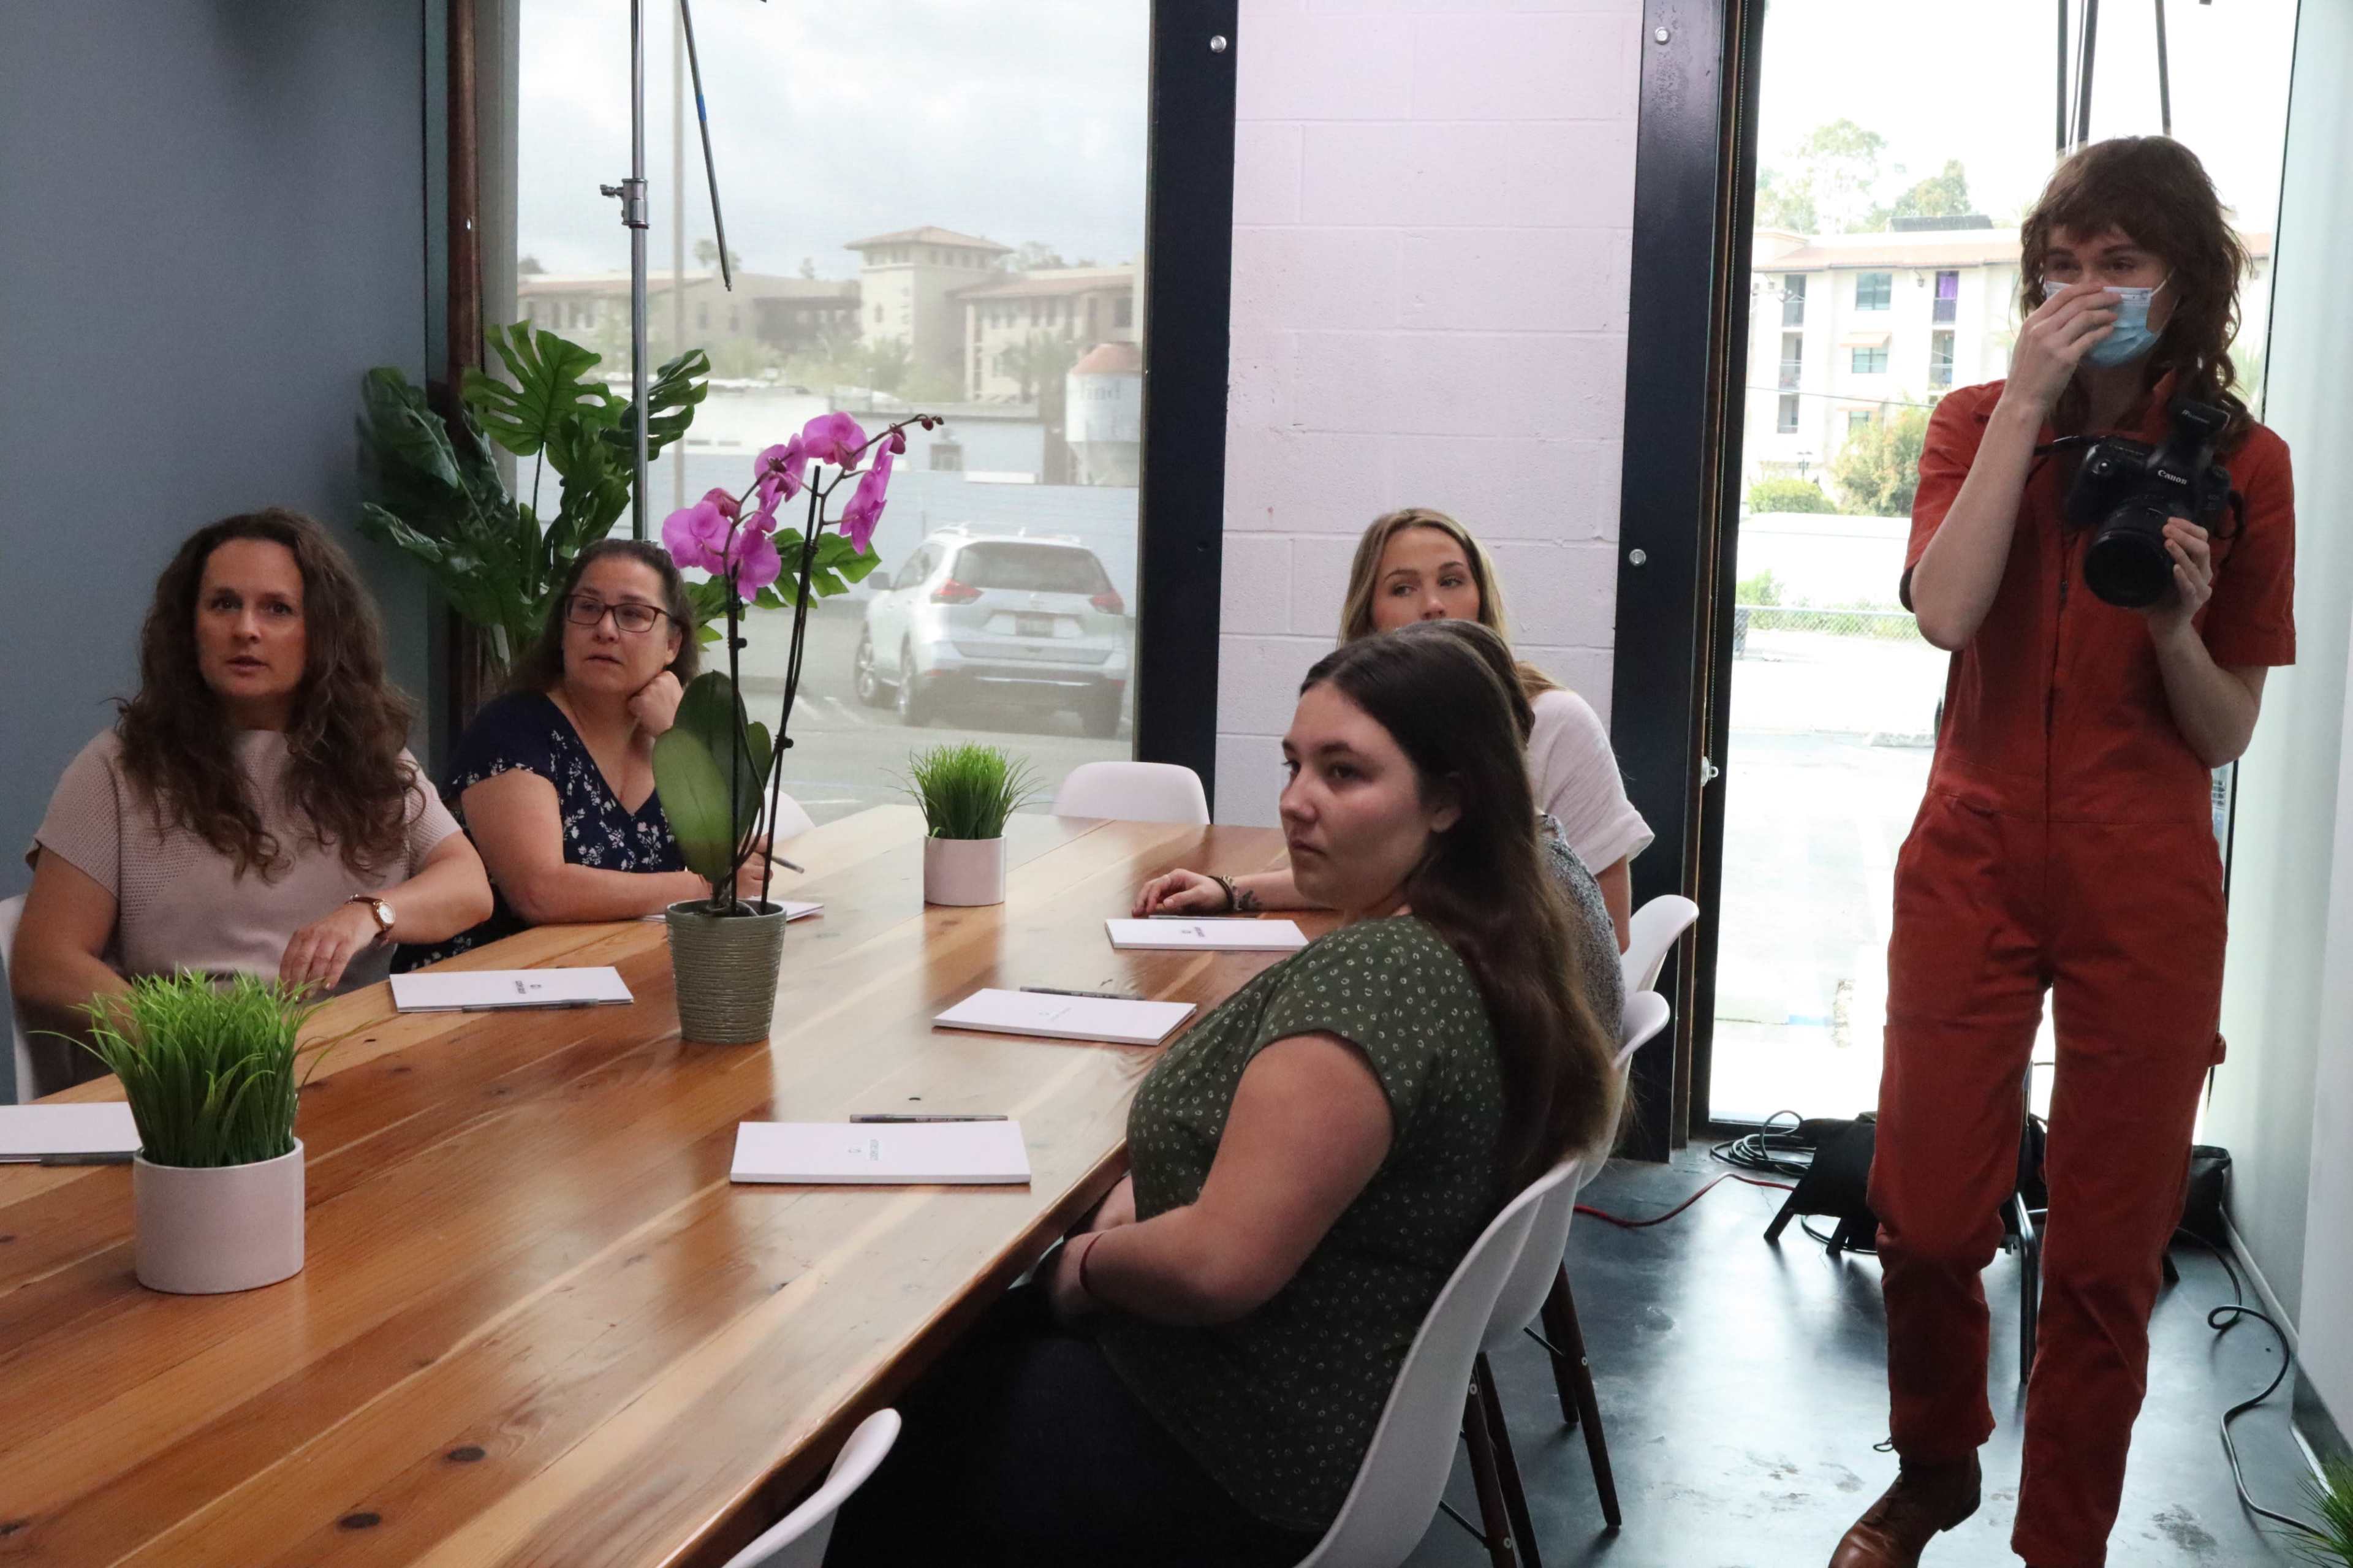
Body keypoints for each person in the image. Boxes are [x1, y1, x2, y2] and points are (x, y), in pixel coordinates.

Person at [826, 628, 1622, 1567]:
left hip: (1224, 1449)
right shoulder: (1491, 946)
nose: (1295, 800)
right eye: (1293, 764)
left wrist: (1081, 1266)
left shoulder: (1384, 978)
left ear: (1449, 799)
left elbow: (1217, 1264)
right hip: (1317, 1423)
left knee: (856, 1437)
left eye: (1344, 772)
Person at [1832, 137, 2296, 1568]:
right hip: (1969, 849)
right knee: (1920, 1214)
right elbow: (1943, 614)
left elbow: (2221, 732)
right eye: (2064, 262)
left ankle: (2061, 1542)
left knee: (2101, 1251)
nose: (2086, 288)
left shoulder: (2242, 461)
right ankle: (1932, 1468)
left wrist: (2170, 616)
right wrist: (2030, 399)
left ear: (2183, 280)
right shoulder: (1976, 420)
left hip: (2142, 873)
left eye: (2121, 262)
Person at [13, 510, 493, 1089]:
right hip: (189, 1078)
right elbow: (45, 961)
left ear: (320, 631)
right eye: (223, 605)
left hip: (345, 1063)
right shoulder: (118, 765)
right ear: (190, 627)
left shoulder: (372, 757)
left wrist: (368, 913)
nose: (246, 629)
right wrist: (185, 1043)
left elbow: (469, 886)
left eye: (277, 609)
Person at [1137, 505, 1650, 949]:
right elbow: (1357, 873)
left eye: (1452, 580)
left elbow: (1610, 934)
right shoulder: (1368, 729)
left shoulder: (1558, 721)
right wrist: (1227, 891)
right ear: (1370, 618)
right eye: (1403, 588)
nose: (1432, 604)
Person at [401, 539, 776, 968]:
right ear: (563, 628)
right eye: (587, 608)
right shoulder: (513, 727)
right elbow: (539, 891)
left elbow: (736, 854)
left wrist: (675, 736)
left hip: (618, 974)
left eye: (633, 614)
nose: (606, 629)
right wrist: (705, 888)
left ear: (673, 643)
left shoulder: (668, 737)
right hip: (480, 989)